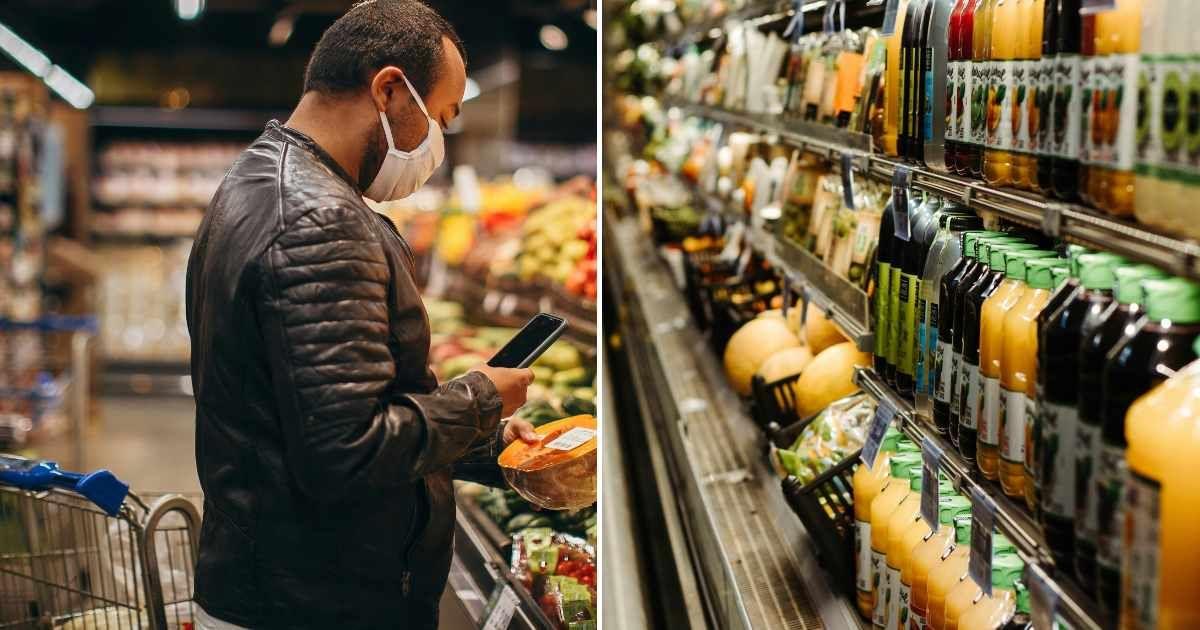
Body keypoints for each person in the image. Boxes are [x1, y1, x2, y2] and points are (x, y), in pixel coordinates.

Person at [185, 1, 538, 627]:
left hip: (276, 579)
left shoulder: (256, 179)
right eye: (443, 118)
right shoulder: (319, 219)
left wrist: (481, 443)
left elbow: (311, 413)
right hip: (317, 601)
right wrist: (482, 397)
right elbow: (346, 452)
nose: (438, 145)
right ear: (390, 89)